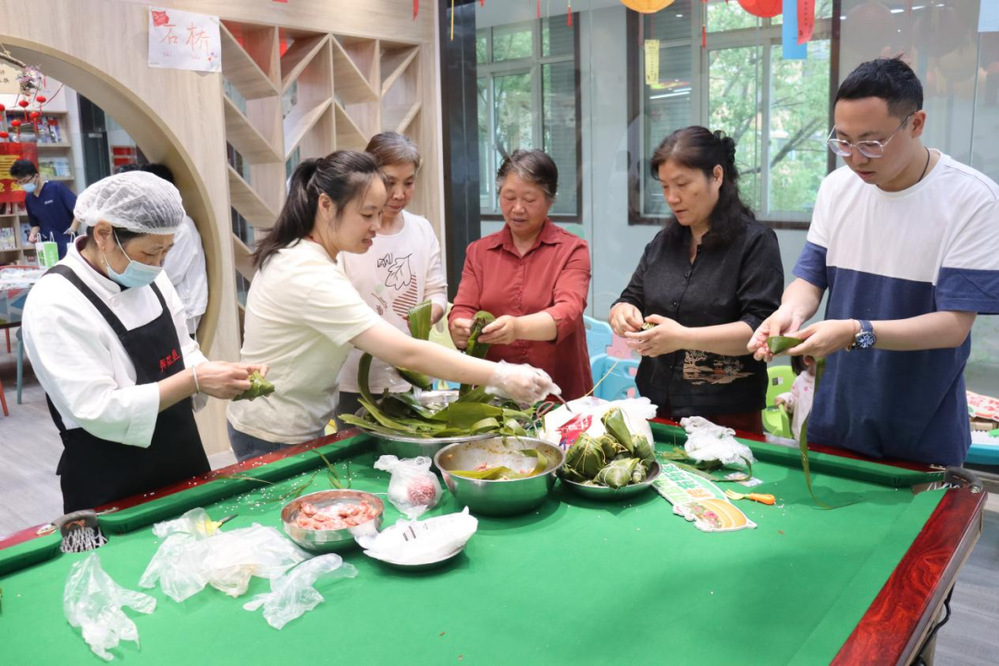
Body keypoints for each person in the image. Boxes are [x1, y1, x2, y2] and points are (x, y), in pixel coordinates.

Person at [748, 57, 999, 467]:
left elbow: (953, 326)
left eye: (871, 143)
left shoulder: (972, 200)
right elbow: (809, 280)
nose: (855, 158)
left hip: (922, 431)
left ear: (916, 124)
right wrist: (788, 313)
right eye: (843, 141)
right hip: (836, 420)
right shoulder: (837, 188)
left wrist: (855, 332)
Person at [226, 151, 556, 461]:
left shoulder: (308, 255)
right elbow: (405, 353)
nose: (377, 225)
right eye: (367, 214)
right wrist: (502, 374)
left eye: (379, 213)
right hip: (273, 432)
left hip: (290, 423)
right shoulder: (308, 273)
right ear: (326, 205)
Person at [21, 171, 261, 512]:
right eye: (150, 253)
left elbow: (183, 348)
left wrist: (217, 375)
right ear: (103, 234)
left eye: (166, 251)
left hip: (181, 453)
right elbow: (97, 408)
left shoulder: (149, 277)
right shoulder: (56, 301)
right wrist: (194, 380)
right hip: (110, 477)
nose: (158, 265)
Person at [609, 127, 783, 433]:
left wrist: (684, 337)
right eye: (665, 187)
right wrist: (622, 312)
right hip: (657, 404)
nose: (672, 198)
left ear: (716, 176)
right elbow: (630, 297)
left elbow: (759, 328)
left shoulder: (755, 243)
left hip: (727, 415)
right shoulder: (663, 243)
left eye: (682, 184)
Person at [448, 149, 592, 400]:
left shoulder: (572, 250)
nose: (517, 208)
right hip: (492, 393)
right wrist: (459, 326)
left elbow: (568, 312)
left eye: (529, 199)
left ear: (550, 200)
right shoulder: (479, 252)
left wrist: (516, 328)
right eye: (509, 197)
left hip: (557, 393)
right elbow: (463, 308)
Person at [335, 132, 447, 423]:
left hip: (412, 376)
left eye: (408, 183)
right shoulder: (346, 236)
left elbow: (436, 291)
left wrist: (429, 314)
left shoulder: (421, 229)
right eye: (389, 182)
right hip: (354, 381)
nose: (399, 194)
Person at [142, 163, 208, 337]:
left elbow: (169, 274)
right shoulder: (160, 224)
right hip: (165, 305)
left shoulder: (182, 227)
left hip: (184, 309)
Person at [9, 158, 77, 258]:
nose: (23, 185)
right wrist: (32, 235)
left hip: (68, 243)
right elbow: (36, 224)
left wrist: (72, 229)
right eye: (20, 182)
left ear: (36, 176)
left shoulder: (56, 188)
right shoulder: (29, 199)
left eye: (25, 181)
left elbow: (79, 210)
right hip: (47, 248)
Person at [774, 356, 815, 440]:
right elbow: (795, 399)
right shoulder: (800, 380)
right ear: (807, 360)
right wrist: (786, 398)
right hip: (802, 434)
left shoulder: (832, 380)